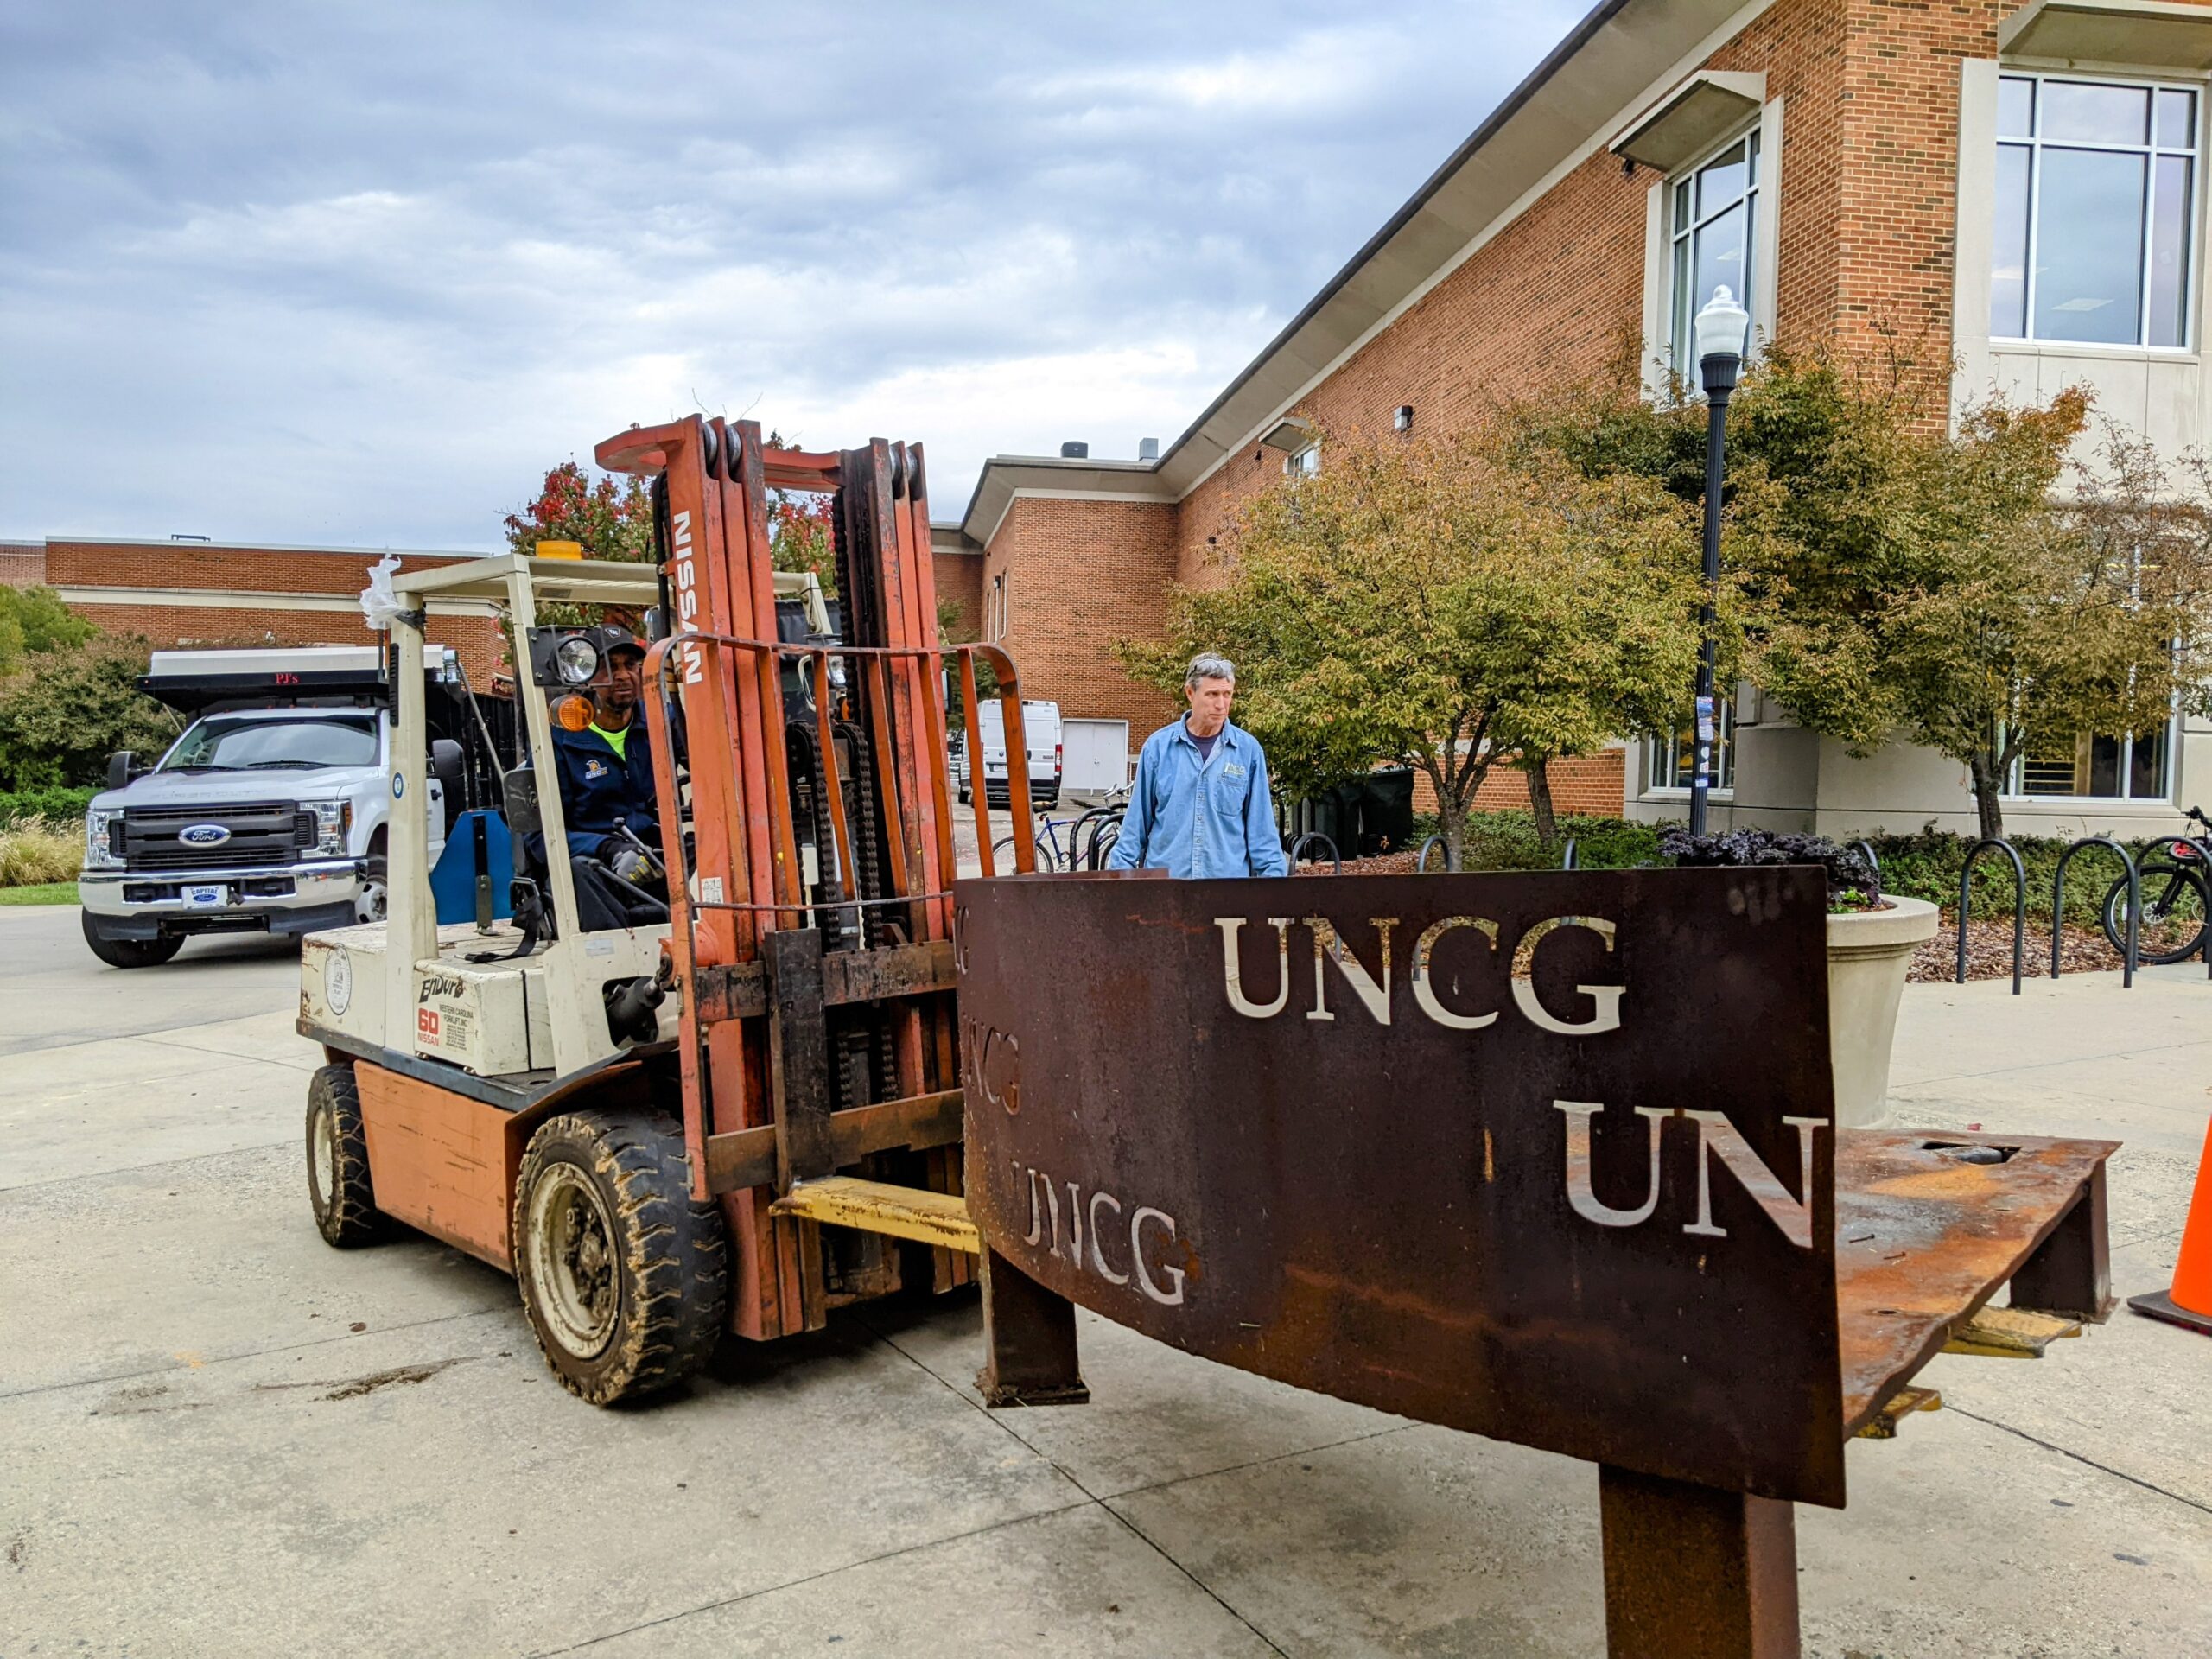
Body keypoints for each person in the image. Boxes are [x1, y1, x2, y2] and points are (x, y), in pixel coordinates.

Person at [1108, 652, 1287, 879]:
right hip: (1167, 893)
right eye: (1212, 694)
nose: (1221, 704)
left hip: (1227, 894)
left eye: (1227, 694)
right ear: (1190, 693)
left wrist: (1275, 892)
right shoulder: (1158, 749)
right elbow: (1134, 829)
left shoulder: (1248, 751)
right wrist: (1120, 886)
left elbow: (1263, 834)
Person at [541, 625, 660, 884]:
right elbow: (542, 836)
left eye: (630, 665)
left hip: (654, 852)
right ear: (587, 676)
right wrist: (609, 849)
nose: (622, 676)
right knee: (578, 872)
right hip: (597, 865)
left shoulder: (660, 724)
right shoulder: (561, 743)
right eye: (610, 667)